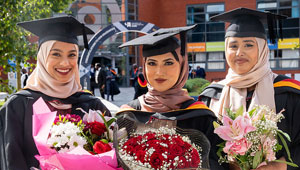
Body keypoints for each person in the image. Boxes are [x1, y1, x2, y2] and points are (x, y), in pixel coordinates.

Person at [0, 16, 111, 170]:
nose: (65, 63)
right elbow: (10, 161)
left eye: (72, 55)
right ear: (43, 57)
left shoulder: (91, 104)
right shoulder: (18, 105)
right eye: (56, 54)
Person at [199, 8, 299, 170]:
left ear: (262, 49)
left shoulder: (289, 93)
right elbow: (204, 149)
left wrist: (279, 166)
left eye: (248, 45)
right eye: (233, 46)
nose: (239, 52)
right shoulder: (212, 95)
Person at [118, 25, 227, 170]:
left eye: (168, 63)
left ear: (182, 65)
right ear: (144, 67)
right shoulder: (129, 113)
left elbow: (218, 165)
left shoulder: (202, 117)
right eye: (151, 63)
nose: (159, 72)